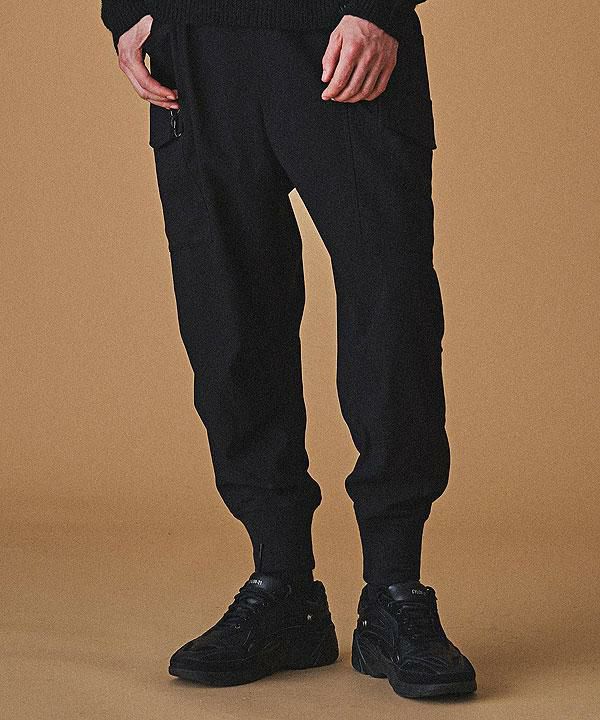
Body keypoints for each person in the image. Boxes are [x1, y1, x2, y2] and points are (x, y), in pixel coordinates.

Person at [100, 0, 476, 698]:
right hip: (197, 48)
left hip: (340, 36)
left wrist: (380, 7)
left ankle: (395, 590)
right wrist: (127, 11)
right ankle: (284, 590)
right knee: (227, 327)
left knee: (392, 320)